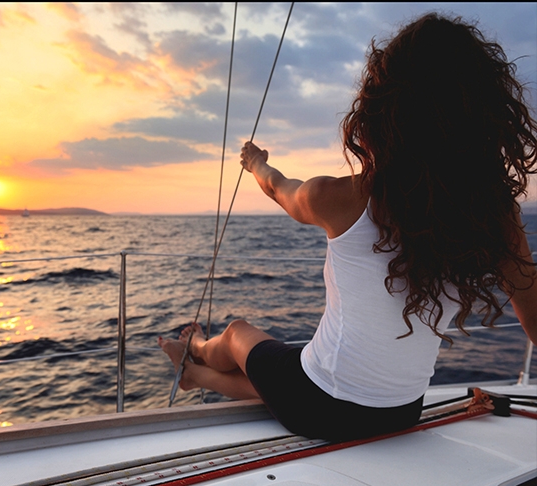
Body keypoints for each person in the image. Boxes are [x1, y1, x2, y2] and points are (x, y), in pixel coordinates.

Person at [158, 12, 537, 442]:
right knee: (296, 369)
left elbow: (278, 188)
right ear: (485, 117)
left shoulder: (340, 199)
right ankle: (195, 377)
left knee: (236, 334)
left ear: (386, 110)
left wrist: (256, 163)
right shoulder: (496, 217)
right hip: (401, 412)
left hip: (316, 408)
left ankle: (195, 348)